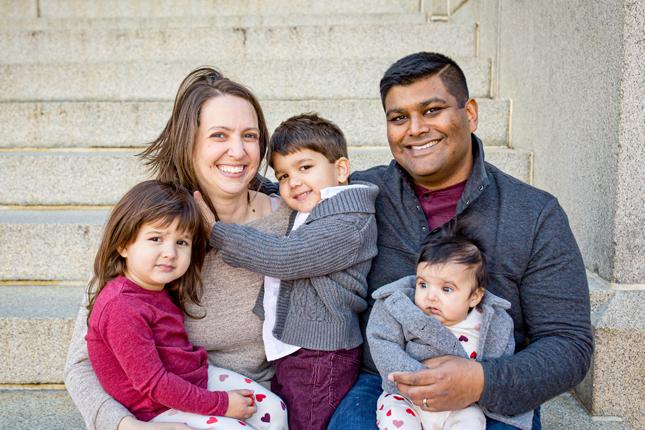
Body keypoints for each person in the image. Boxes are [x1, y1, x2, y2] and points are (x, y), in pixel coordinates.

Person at [328, 52, 593, 429]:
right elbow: (284, 191)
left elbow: (569, 344)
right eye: (399, 118)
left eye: (432, 110)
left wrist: (479, 380)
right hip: (384, 385)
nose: (415, 129)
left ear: (469, 113)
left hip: (493, 389)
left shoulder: (534, 214)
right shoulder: (362, 195)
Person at [65, 68, 289, 430]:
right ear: (190, 143)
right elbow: (82, 364)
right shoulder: (154, 229)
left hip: (261, 400)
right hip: (166, 410)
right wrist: (128, 427)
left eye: (250, 135)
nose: (238, 150)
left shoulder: (290, 221)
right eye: (219, 135)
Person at [197, 113, 379, 429]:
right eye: (283, 176)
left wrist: (216, 231)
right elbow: (271, 186)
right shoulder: (319, 203)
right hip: (296, 352)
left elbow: (285, 257)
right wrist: (240, 174)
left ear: (340, 169)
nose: (293, 181)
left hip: (323, 356)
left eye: (305, 168)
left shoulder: (349, 223)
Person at [85, 180, 281, 429]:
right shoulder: (121, 307)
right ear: (123, 244)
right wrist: (221, 404)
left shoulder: (159, 289)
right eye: (156, 238)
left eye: (181, 242)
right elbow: (154, 384)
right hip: (156, 408)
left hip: (193, 381)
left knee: (273, 410)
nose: (170, 252)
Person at [367, 228, 532, 430]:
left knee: (471, 422)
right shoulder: (404, 309)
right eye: (423, 284)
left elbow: (500, 358)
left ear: (474, 297)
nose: (430, 296)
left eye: (446, 289)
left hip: (461, 403)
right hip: (407, 396)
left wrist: (479, 383)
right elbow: (383, 343)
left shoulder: (491, 323)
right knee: (396, 420)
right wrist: (417, 378)